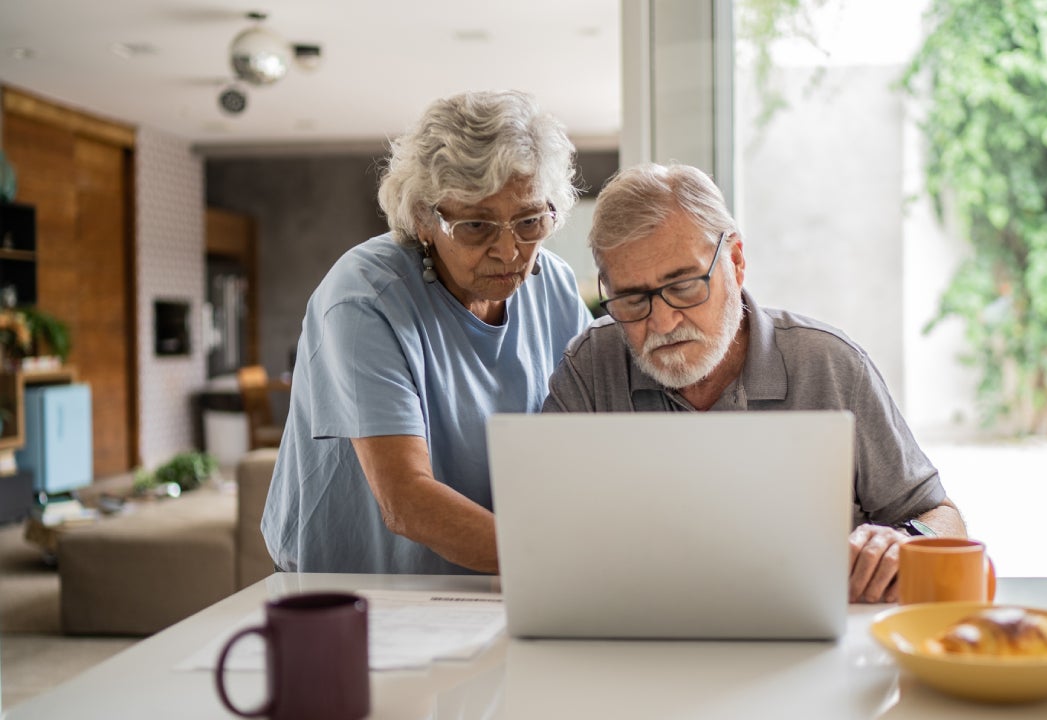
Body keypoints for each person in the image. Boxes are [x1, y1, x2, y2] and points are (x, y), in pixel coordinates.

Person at [543, 162, 966, 603]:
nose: (663, 322)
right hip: (635, 626)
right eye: (632, 299)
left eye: (684, 286)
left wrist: (906, 543)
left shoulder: (831, 365)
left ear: (736, 262)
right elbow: (541, 531)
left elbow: (941, 518)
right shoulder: (590, 366)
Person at [262, 90, 593, 574]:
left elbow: (590, 443)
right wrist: (560, 566)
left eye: (529, 221)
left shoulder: (555, 286)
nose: (509, 251)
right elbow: (407, 500)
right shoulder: (364, 298)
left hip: (494, 573)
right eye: (476, 225)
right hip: (353, 583)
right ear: (423, 218)